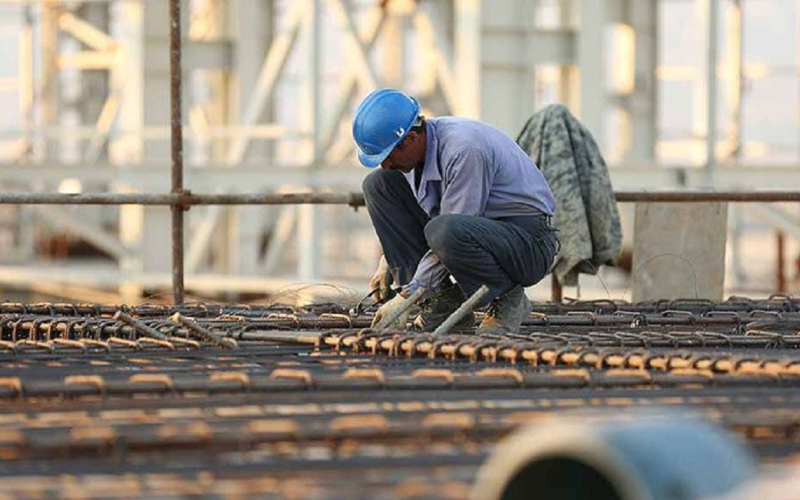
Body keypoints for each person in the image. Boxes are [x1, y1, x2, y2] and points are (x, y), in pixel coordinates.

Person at [353, 88, 558, 334]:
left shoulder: (464, 150)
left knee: (443, 230)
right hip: (477, 232)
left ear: (411, 139)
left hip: (526, 243)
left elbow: (452, 227)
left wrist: (407, 295)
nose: (386, 163)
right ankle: (441, 304)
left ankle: (508, 298)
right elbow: (428, 214)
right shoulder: (417, 154)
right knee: (379, 184)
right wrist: (389, 260)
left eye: (388, 155)